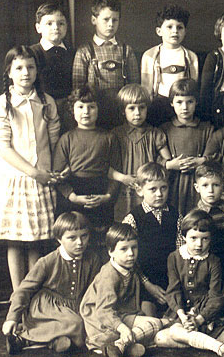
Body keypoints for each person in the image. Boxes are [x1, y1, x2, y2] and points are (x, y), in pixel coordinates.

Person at [0, 46, 61, 289]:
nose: (25, 73)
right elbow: (4, 149)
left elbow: (54, 141)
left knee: (35, 240)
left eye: (30, 67)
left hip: (41, 178)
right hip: (13, 179)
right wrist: (33, 172)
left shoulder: (47, 102)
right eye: (19, 68)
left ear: (37, 70)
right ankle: (18, 295)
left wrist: (47, 172)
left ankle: (32, 294)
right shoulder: (1, 104)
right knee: (15, 241)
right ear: (9, 72)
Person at [2, 212, 101, 354]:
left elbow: (94, 289)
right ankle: (23, 336)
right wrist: (12, 318)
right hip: (47, 307)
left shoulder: (93, 259)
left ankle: (53, 341)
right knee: (77, 324)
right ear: (59, 239)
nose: (79, 242)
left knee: (87, 329)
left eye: (84, 236)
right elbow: (24, 290)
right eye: (72, 238)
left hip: (76, 305)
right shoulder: (47, 261)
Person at [155, 209, 224, 357]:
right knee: (162, 337)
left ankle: (210, 342)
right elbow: (173, 290)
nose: (199, 244)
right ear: (183, 237)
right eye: (193, 238)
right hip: (181, 314)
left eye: (205, 239)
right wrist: (182, 316)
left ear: (211, 239)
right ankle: (217, 347)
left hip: (205, 314)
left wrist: (200, 319)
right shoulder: (174, 258)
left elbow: (216, 297)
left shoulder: (213, 261)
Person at [80, 223, 164, 357]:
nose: (131, 253)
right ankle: (120, 344)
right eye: (123, 249)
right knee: (154, 325)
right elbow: (104, 311)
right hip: (101, 320)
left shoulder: (131, 266)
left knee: (155, 323)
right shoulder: (109, 275)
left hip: (120, 314)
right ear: (110, 251)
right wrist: (123, 328)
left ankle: (120, 347)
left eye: (134, 247)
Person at [53, 86, 120, 251]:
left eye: (91, 107)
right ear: (72, 110)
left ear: (98, 109)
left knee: (100, 242)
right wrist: (73, 197)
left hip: (100, 191)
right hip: (75, 193)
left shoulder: (109, 137)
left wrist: (107, 196)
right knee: (75, 238)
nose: (86, 111)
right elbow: (58, 176)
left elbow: (116, 173)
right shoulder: (66, 139)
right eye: (80, 107)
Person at [72, 0, 140, 129]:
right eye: (106, 19)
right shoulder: (84, 51)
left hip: (121, 114)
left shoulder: (126, 50)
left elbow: (134, 87)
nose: (111, 24)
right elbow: (78, 90)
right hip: (95, 114)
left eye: (115, 20)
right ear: (94, 20)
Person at [122, 163, 178, 317]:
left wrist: (174, 285)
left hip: (171, 279)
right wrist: (148, 285)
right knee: (149, 319)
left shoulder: (175, 215)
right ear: (140, 190)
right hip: (143, 281)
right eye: (153, 189)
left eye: (163, 188)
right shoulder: (132, 219)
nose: (159, 194)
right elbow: (129, 259)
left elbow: (180, 253)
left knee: (176, 317)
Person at [110, 84, 171, 221]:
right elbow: (105, 166)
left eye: (142, 107)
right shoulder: (116, 134)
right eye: (131, 108)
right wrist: (122, 178)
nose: (137, 113)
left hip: (151, 191)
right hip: (125, 191)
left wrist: (153, 178)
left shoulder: (155, 133)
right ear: (122, 111)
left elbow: (166, 162)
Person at [160, 79, 213, 215]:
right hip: (173, 183)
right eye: (179, 102)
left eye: (189, 102)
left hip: (199, 183)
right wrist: (170, 165)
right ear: (171, 103)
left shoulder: (206, 128)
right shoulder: (165, 129)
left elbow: (214, 156)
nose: (184, 107)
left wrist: (201, 161)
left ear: (196, 102)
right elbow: (156, 158)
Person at [140, 4, 199, 127]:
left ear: (185, 31)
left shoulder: (190, 56)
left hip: (182, 105)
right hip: (159, 105)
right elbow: (146, 88)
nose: (175, 31)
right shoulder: (150, 55)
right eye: (169, 27)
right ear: (159, 31)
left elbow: (193, 86)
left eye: (179, 27)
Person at [183, 161, 224, 273]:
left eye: (216, 185)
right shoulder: (193, 215)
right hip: (203, 267)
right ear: (197, 187)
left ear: (223, 187)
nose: (210, 190)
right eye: (205, 185)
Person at [29, 2, 75, 131]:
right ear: (38, 28)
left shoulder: (73, 53)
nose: (56, 27)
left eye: (61, 23)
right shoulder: (32, 53)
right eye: (49, 24)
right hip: (42, 110)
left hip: (69, 112)